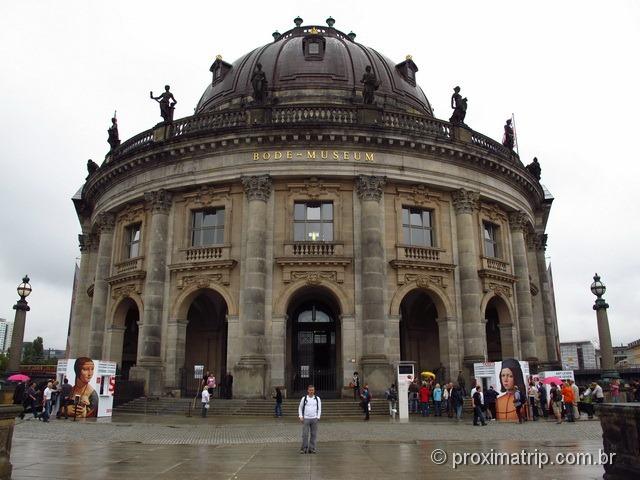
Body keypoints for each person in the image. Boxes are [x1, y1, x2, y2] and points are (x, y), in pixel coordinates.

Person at [298, 385, 321, 453]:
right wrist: (300, 416)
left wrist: (318, 417)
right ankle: (304, 448)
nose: (311, 391)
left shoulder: (317, 398)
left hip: (314, 418)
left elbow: (319, 408)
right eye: (310, 390)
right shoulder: (304, 398)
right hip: (306, 419)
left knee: (313, 434)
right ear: (308, 391)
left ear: (314, 391)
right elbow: (300, 407)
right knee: (305, 434)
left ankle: (312, 448)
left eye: (312, 390)